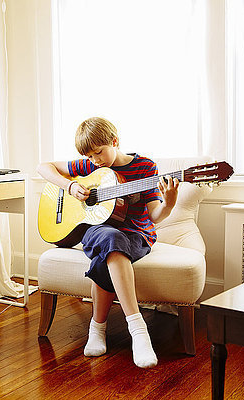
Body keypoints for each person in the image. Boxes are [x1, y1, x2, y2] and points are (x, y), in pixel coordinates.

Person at [37, 117, 179, 368]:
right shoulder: (89, 165)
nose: (95, 161)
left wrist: (169, 203)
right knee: (109, 237)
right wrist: (69, 186)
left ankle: (99, 329)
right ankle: (138, 329)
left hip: (137, 233)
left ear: (115, 141)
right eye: (90, 157)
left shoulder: (145, 167)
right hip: (96, 229)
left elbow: (155, 216)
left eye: (99, 153)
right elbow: (43, 167)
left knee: (111, 248)